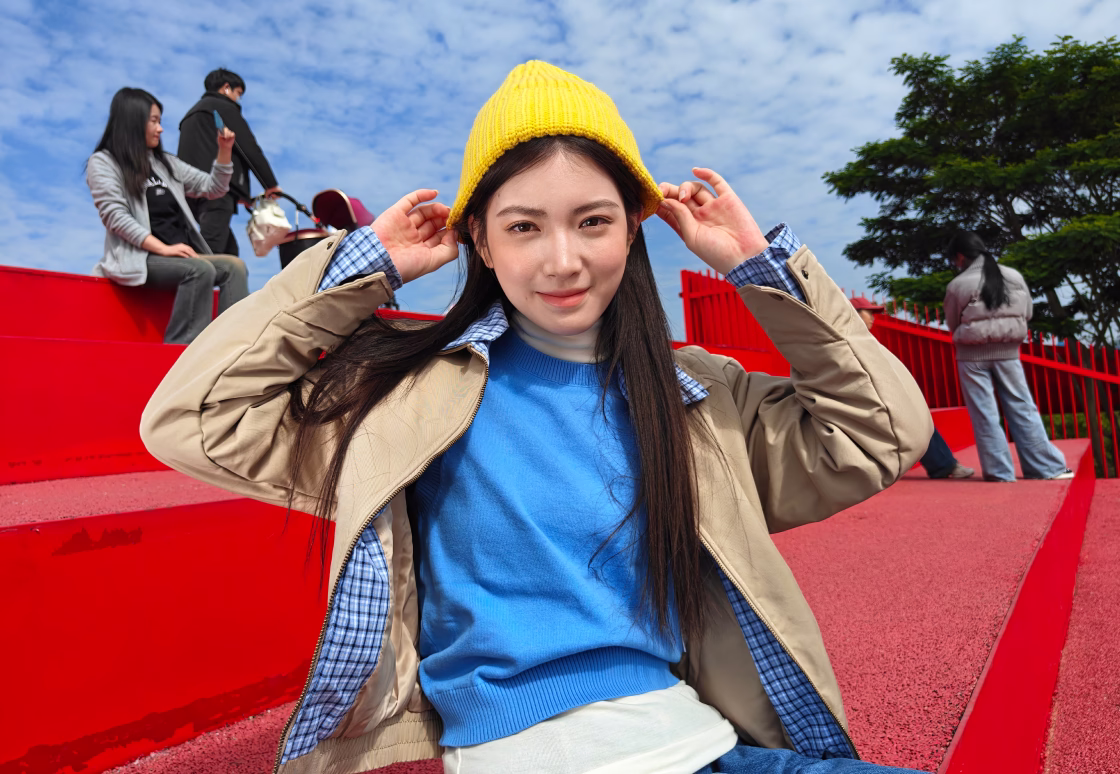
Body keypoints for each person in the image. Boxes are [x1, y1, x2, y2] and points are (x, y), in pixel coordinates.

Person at [141, 62, 933, 773]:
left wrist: (756, 268)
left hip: (706, 745)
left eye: (593, 221)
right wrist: (365, 269)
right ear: (480, 241)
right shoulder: (408, 394)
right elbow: (193, 416)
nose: (563, 260)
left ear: (633, 229)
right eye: (524, 226)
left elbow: (881, 431)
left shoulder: (695, 396)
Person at [86, 87, 249, 345]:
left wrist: (224, 150)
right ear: (133, 120)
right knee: (199, 270)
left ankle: (230, 347)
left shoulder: (165, 164)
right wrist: (163, 249)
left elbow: (214, 188)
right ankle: (181, 351)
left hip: (179, 256)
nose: (160, 129)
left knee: (234, 267)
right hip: (143, 257)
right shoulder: (104, 162)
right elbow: (115, 217)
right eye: (154, 121)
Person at [943, 230, 1073, 482]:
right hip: (1009, 353)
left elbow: (952, 322)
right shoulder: (1013, 276)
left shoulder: (957, 285)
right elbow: (1028, 312)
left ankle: (1000, 472)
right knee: (1023, 407)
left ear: (960, 257)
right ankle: (1047, 468)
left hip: (971, 357)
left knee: (984, 414)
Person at [851, 297, 974, 480]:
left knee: (916, 417)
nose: (873, 318)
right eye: (869, 313)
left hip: (870, 398)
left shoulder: (863, 339)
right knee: (914, 420)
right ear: (855, 314)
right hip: (860, 400)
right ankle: (943, 466)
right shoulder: (851, 339)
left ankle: (943, 465)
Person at [178, 68, 282, 256]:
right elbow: (248, 147)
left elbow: (200, 155)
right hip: (216, 189)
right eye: (238, 93)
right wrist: (270, 184)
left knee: (229, 253)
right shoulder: (223, 107)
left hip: (190, 191)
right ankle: (194, 273)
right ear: (226, 87)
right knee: (211, 251)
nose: (238, 99)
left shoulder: (190, 116)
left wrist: (241, 194)